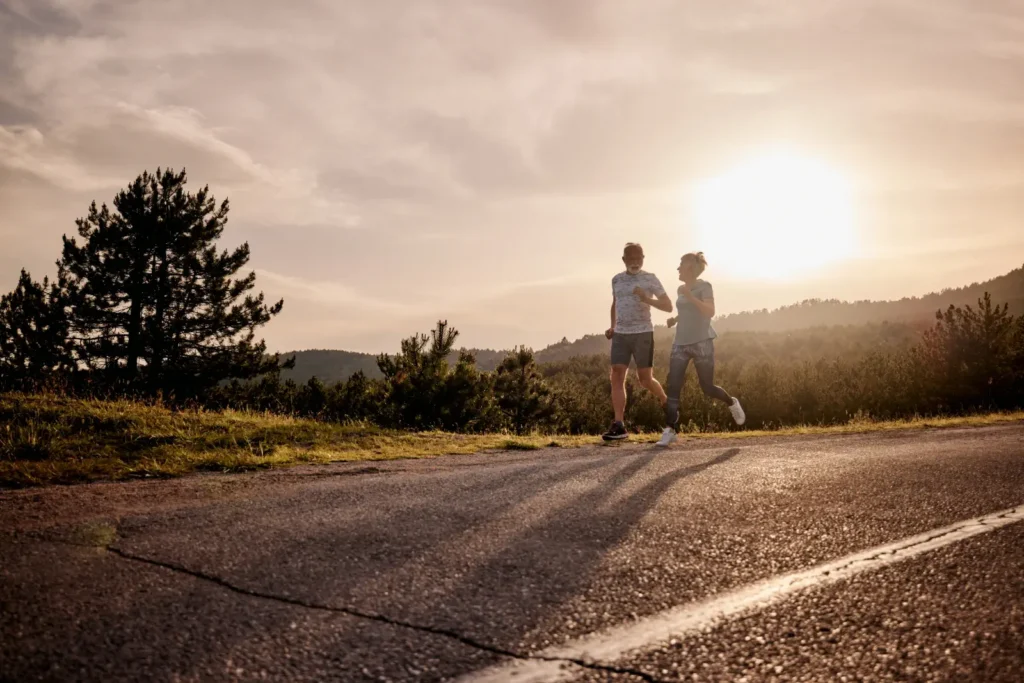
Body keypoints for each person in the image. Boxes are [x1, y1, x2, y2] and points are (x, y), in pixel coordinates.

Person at [656, 251, 745, 447]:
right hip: (680, 342)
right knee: (673, 385)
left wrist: (690, 296)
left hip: (702, 342)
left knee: (707, 388)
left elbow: (709, 311)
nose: (678, 268)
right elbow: (687, 310)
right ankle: (670, 429)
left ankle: (731, 402)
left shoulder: (705, 287)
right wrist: (675, 319)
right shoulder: (680, 289)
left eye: (680, 265)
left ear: (689, 268)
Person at [602, 242, 672, 441]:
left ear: (643, 258)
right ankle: (619, 425)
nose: (634, 262)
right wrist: (613, 326)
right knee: (616, 374)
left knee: (645, 380)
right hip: (621, 335)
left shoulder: (650, 279)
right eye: (630, 258)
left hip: (643, 333)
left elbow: (668, 306)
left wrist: (646, 298)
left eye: (638, 258)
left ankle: (665, 400)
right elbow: (615, 304)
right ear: (624, 260)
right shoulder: (616, 280)